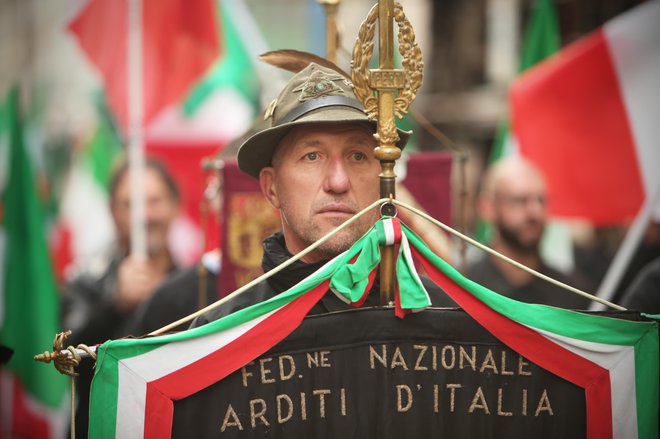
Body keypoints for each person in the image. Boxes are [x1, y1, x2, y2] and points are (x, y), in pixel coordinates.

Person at [191, 62, 456, 327]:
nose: (338, 182)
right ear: (271, 187)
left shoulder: (447, 324)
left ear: (384, 177)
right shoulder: (222, 339)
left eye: (357, 156)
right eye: (312, 156)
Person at [61, 156, 180, 437]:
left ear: (175, 206)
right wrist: (115, 305)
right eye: (131, 204)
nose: (145, 215)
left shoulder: (200, 286)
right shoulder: (85, 282)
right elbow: (67, 354)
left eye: (155, 201)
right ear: (112, 212)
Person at [466, 156, 592, 309]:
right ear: (488, 208)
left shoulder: (573, 292)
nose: (535, 212)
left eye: (541, 200)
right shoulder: (465, 288)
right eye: (520, 200)